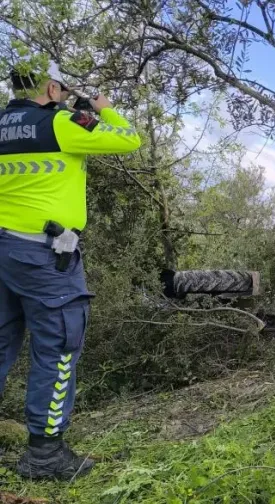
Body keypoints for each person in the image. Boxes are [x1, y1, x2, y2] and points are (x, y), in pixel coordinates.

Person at [0, 60, 141, 480]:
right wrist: (102, 107)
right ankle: (44, 455)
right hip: (43, 258)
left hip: (3, 250)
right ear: (50, 87)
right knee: (59, 345)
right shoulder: (62, 123)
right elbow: (129, 139)